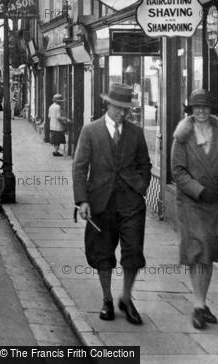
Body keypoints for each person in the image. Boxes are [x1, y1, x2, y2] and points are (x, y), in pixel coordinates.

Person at [73, 82, 152, 325]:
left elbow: (145, 165)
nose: (121, 112)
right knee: (102, 253)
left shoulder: (136, 133)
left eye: (125, 109)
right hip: (100, 203)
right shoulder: (90, 131)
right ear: (108, 104)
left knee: (133, 252)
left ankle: (126, 298)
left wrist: (141, 186)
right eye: (117, 107)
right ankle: (107, 299)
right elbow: (79, 167)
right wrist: (82, 201)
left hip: (131, 204)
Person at [171, 88, 218, 330]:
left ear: (211, 111)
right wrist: (199, 190)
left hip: (216, 203)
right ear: (190, 111)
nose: (201, 111)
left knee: (209, 253)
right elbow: (177, 171)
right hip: (192, 202)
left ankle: (202, 303)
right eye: (196, 108)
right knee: (198, 250)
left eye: (205, 108)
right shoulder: (183, 136)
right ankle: (199, 306)